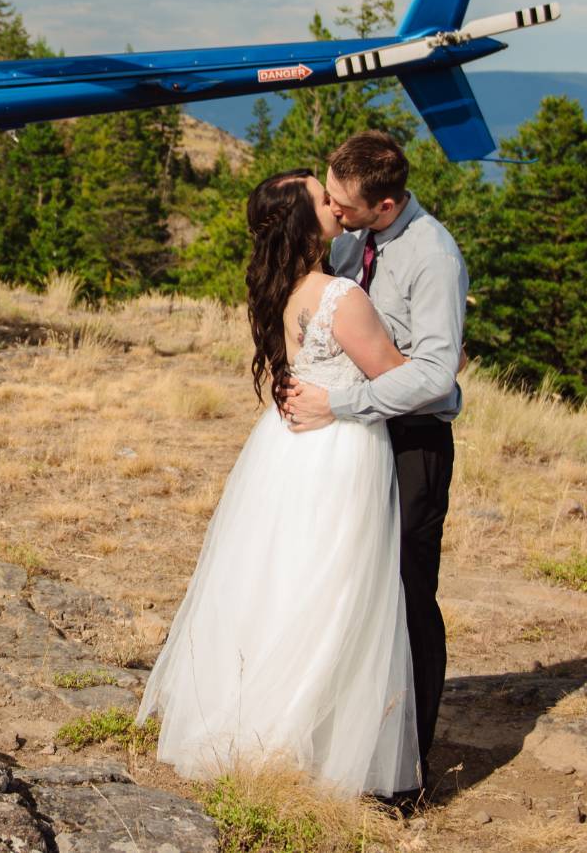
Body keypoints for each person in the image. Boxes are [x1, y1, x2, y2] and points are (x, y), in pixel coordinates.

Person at [138, 168, 419, 797]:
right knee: (335, 584)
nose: (336, 200)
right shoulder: (340, 298)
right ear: (304, 220)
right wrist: (445, 357)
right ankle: (309, 738)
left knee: (279, 576)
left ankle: (258, 721)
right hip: (338, 448)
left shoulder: (281, 288)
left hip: (284, 449)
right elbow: (398, 379)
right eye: (324, 198)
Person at [278, 129, 467, 800]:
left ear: (384, 207)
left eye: (343, 204)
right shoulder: (354, 238)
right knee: (353, 588)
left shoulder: (433, 257)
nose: (331, 209)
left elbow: (438, 376)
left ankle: (402, 772)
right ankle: (345, 738)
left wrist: (344, 402)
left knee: (409, 596)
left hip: (412, 441)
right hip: (355, 444)